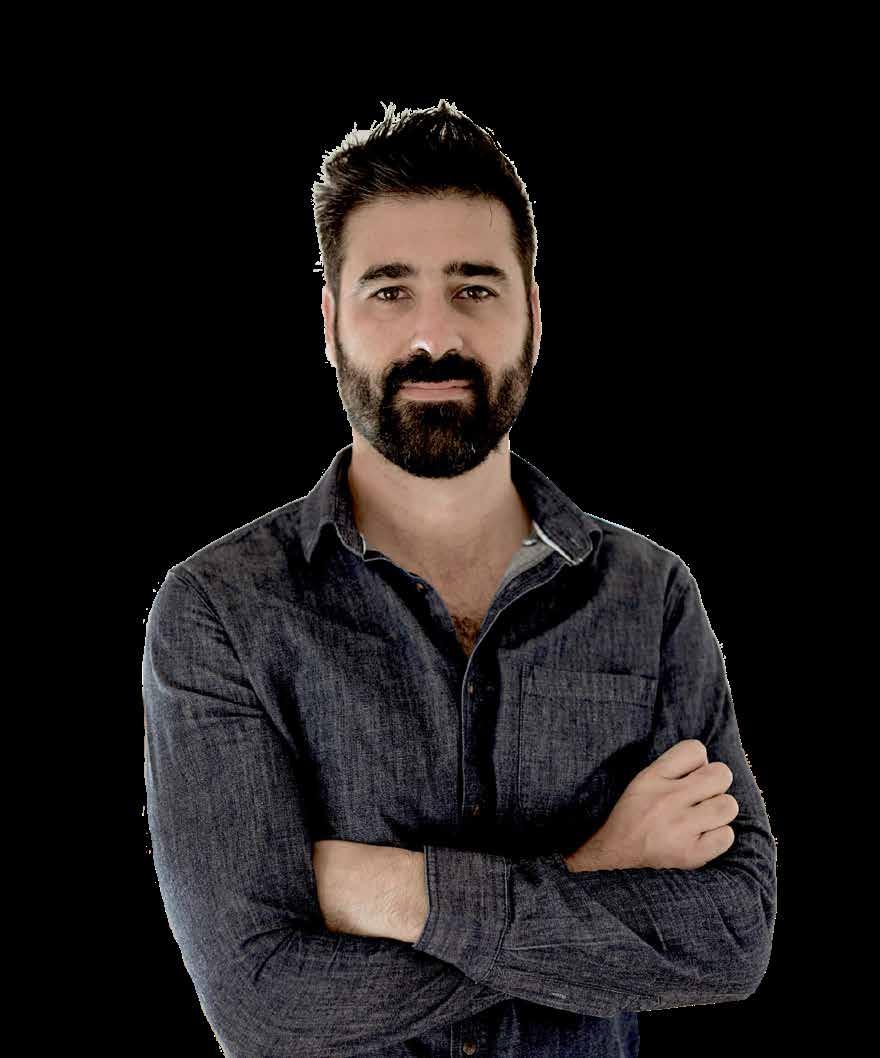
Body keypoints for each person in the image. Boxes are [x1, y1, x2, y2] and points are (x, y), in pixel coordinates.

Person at [143, 99, 776, 1057]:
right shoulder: (221, 612)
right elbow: (263, 1004)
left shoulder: (649, 596)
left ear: (533, 315)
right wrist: (596, 865)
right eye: (389, 291)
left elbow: (730, 937)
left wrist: (400, 894)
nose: (432, 336)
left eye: (474, 288)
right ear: (330, 323)